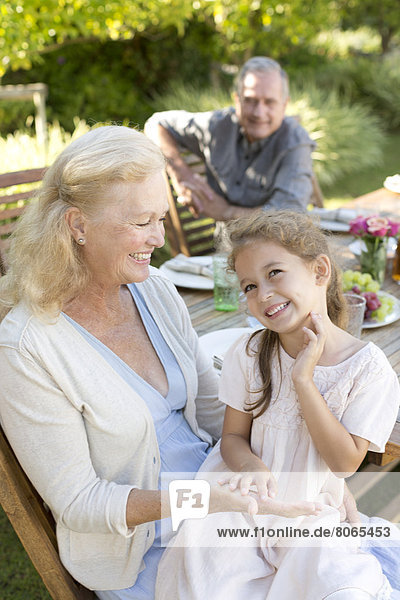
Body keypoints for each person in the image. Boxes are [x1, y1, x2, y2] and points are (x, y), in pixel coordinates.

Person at [0, 126, 321, 599]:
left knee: (347, 559)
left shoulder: (155, 289)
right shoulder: (27, 348)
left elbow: (216, 413)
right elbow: (80, 504)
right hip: (149, 554)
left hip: (226, 504)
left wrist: (285, 440)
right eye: (140, 222)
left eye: (160, 218)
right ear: (78, 225)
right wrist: (202, 500)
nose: (157, 238)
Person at [155, 210, 399, 600]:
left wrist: (303, 379)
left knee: (340, 587)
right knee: (210, 584)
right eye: (249, 285)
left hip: (309, 511)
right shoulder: (250, 353)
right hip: (240, 502)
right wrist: (252, 466)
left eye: (274, 274)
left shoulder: (368, 370)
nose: (262, 294)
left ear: (320, 271)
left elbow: (343, 464)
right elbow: (232, 437)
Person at [145, 56, 316, 221]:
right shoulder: (217, 126)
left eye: (269, 102)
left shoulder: (295, 141)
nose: (259, 112)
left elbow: (289, 215)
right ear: (237, 100)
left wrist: (227, 212)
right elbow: (156, 123)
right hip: (224, 245)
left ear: (284, 105)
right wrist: (182, 174)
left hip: (277, 245)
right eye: (250, 100)